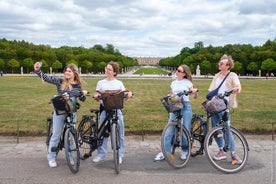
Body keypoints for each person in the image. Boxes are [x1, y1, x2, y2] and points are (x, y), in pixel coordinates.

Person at [33, 62, 88, 168]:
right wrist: (37, 70)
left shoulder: (78, 85)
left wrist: (83, 94)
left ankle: (70, 156)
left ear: (74, 73)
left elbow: (82, 99)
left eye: (69, 71)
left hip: (72, 112)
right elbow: (46, 78)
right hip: (60, 111)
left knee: (72, 136)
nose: (67, 73)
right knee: (56, 134)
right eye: (66, 71)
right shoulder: (60, 81)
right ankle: (51, 157)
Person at [154, 64, 198, 161]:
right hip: (175, 105)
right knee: (169, 130)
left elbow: (194, 93)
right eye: (177, 70)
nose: (176, 71)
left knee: (184, 130)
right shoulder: (173, 83)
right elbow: (172, 93)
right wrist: (169, 95)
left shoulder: (188, 82)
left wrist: (194, 92)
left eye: (179, 70)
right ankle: (166, 151)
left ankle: (185, 150)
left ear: (184, 73)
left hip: (185, 106)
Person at [92, 61, 132, 164]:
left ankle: (119, 154)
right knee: (103, 133)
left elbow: (124, 92)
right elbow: (97, 93)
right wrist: (96, 95)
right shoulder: (101, 82)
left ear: (114, 72)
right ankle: (101, 154)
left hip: (116, 110)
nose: (106, 70)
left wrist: (129, 93)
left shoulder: (119, 83)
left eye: (109, 69)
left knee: (120, 133)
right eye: (106, 68)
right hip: (104, 110)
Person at [208, 54, 242, 164]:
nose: (219, 64)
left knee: (227, 129)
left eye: (222, 63)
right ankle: (221, 150)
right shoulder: (216, 75)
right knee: (215, 129)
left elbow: (238, 85)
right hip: (214, 105)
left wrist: (236, 89)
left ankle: (233, 153)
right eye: (220, 62)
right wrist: (208, 103)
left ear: (228, 66)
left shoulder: (232, 75)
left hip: (224, 105)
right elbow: (211, 90)